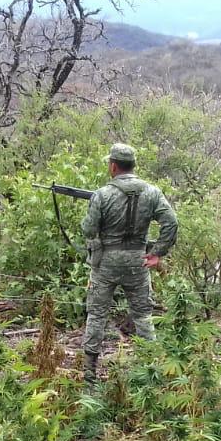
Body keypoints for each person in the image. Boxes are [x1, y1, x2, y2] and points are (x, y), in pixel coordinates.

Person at [80, 143, 178, 381]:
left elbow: (89, 229)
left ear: (113, 166)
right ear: (133, 165)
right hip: (138, 261)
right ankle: (150, 369)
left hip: (106, 263)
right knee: (143, 314)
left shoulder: (102, 194)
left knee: (97, 315)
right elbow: (171, 222)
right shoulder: (152, 192)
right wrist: (157, 253)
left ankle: (90, 374)